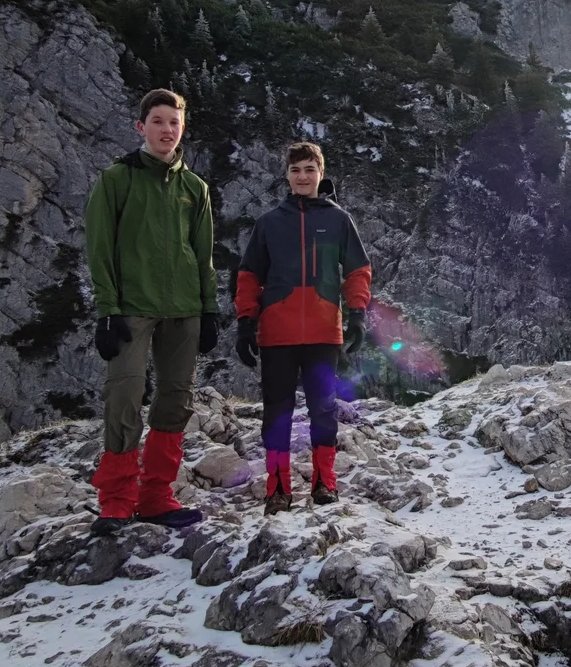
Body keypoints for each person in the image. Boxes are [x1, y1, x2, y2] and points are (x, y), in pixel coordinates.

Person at [84, 88, 218, 532]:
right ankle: (117, 499)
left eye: (174, 123)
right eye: (158, 121)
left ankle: (156, 495)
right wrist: (107, 308)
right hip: (131, 307)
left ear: (183, 129)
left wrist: (210, 309)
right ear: (141, 127)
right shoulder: (117, 179)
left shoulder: (194, 188)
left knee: (176, 397)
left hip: (184, 308)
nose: (166, 130)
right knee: (124, 393)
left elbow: (203, 255)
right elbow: (99, 247)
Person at [234, 141, 372, 511]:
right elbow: (248, 276)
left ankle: (324, 483)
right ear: (287, 175)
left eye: (310, 169)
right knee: (276, 412)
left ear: (321, 173)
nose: (303, 177)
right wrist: (246, 322)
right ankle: (278, 488)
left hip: (324, 332)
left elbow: (358, 271)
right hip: (277, 333)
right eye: (296, 170)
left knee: (323, 409)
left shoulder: (338, 219)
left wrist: (357, 313)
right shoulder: (269, 223)